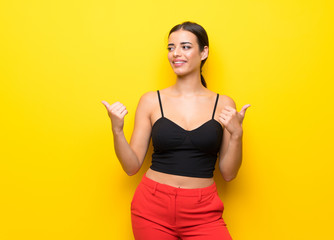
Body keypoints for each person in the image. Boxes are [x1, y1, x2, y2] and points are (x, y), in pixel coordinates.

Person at [101, 21, 250, 240]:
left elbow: (229, 174)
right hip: (151, 207)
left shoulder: (223, 103)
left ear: (204, 52)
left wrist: (237, 134)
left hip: (203, 210)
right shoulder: (151, 100)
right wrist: (117, 130)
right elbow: (131, 166)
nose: (176, 54)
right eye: (171, 48)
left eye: (185, 46)